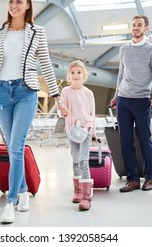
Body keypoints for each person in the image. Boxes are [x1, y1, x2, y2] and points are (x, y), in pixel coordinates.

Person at [0, 0, 65, 224]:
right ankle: (24, 190)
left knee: (16, 147)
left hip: (25, 92)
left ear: (28, 5)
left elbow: (46, 65)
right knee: (12, 147)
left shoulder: (37, 32)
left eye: (19, 2)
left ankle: (11, 202)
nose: (14, 5)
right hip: (0, 93)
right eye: (10, 2)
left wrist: (57, 97)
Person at [110, 15, 152, 193]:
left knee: (144, 139)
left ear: (146, 28)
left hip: (142, 100)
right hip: (123, 99)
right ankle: (132, 179)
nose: (135, 27)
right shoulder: (124, 49)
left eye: (139, 25)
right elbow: (121, 74)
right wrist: (116, 94)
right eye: (133, 25)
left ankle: (149, 177)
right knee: (125, 140)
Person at [59, 60, 97, 211]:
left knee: (83, 161)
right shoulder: (65, 92)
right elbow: (61, 109)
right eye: (73, 72)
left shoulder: (89, 93)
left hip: (86, 130)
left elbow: (92, 114)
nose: (75, 75)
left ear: (84, 75)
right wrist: (63, 111)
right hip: (72, 131)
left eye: (79, 72)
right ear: (69, 75)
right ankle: (78, 191)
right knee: (75, 161)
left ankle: (87, 197)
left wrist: (93, 132)